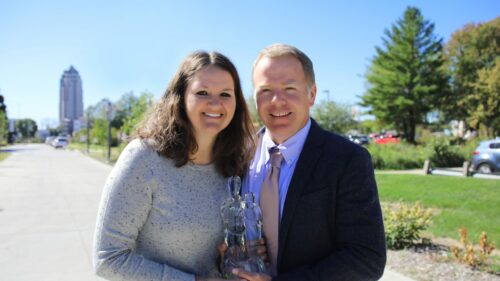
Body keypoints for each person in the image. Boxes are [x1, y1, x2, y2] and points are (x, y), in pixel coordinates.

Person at [93, 51, 255, 281]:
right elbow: (107, 259)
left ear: (236, 103)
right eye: (202, 92)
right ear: (180, 97)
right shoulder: (144, 158)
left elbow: (207, 255)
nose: (215, 103)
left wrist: (231, 260)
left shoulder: (233, 165)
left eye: (226, 94)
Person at [234, 44, 386, 281]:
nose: (277, 101)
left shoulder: (347, 160)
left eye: (289, 88)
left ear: (312, 94)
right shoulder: (236, 155)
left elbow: (365, 258)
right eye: (265, 90)